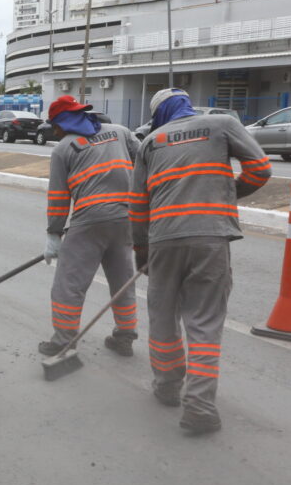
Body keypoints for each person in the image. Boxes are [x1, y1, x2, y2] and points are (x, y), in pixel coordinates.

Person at [129, 88, 271, 434]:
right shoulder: (222, 124)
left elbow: (137, 204)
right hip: (210, 237)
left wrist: (142, 253)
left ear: (159, 114)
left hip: (163, 238)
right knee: (204, 324)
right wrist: (225, 193)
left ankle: (166, 386)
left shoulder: (150, 142)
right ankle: (200, 407)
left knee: (162, 315)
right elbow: (260, 169)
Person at [39, 95, 141, 359]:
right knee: (122, 280)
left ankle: (63, 341)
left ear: (62, 122)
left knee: (68, 284)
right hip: (125, 219)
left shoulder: (63, 149)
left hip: (90, 222)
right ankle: (125, 336)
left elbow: (59, 199)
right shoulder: (120, 133)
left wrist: (54, 234)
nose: (55, 130)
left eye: (55, 125)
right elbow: (145, 163)